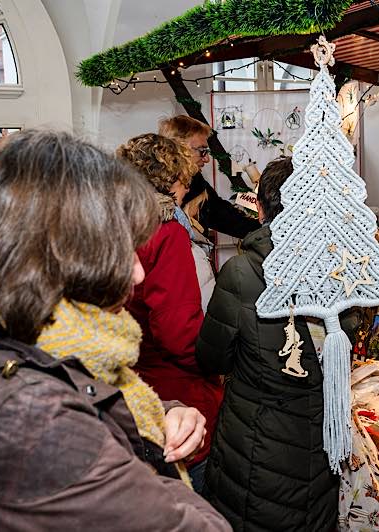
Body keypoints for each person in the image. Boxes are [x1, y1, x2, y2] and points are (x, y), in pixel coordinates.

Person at [0, 129, 229, 530]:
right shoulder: (35, 414)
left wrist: (164, 413)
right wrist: (161, 471)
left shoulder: (51, 356)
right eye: (117, 248)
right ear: (60, 254)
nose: (135, 271)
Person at [196, 156, 339, 531]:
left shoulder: (241, 273)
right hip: (319, 447)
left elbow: (212, 357)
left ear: (260, 208)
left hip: (253, 451)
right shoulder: (335, 268)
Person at [117, 133, 223, 493]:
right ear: (172, 179)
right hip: (175, 391)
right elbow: (178, 333)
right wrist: (216, 361)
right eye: (184, 179)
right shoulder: (164, 231)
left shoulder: (117, 223)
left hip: (134, 387)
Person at [159, 115, 260, 239]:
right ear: (179, 148)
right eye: (202, 151)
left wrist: (266, 230)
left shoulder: (196, 182)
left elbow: (225, 217)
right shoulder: (152, 189)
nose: (206, 159)